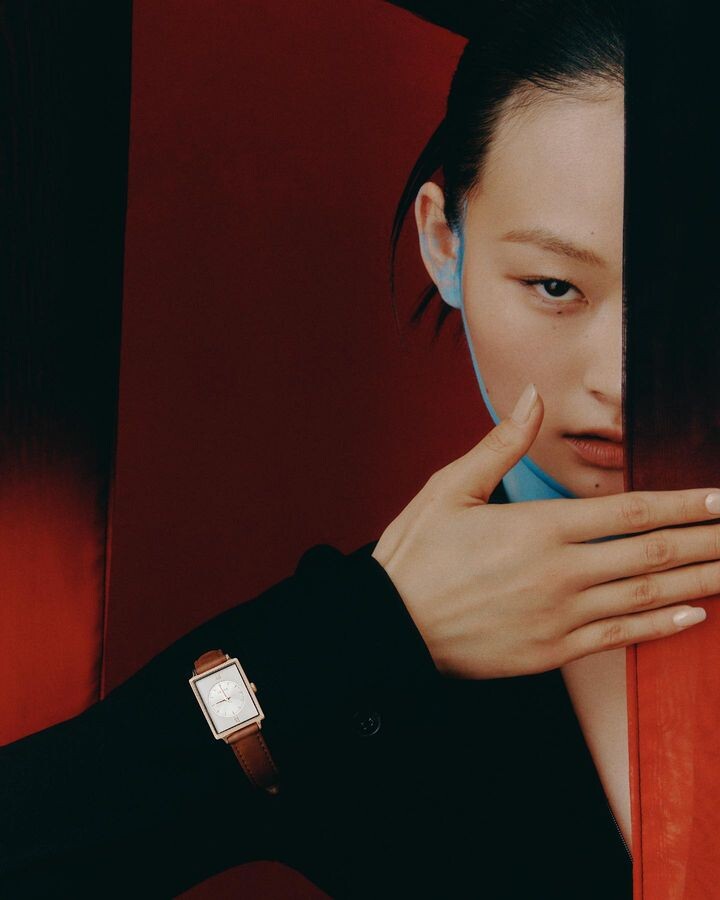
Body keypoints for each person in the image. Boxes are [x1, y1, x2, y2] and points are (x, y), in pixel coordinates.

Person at [2, 0, 720, 897]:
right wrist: (367, 637)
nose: (620, 378)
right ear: (443, 243)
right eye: (553, 285)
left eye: (698, 296)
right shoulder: (368, 656)